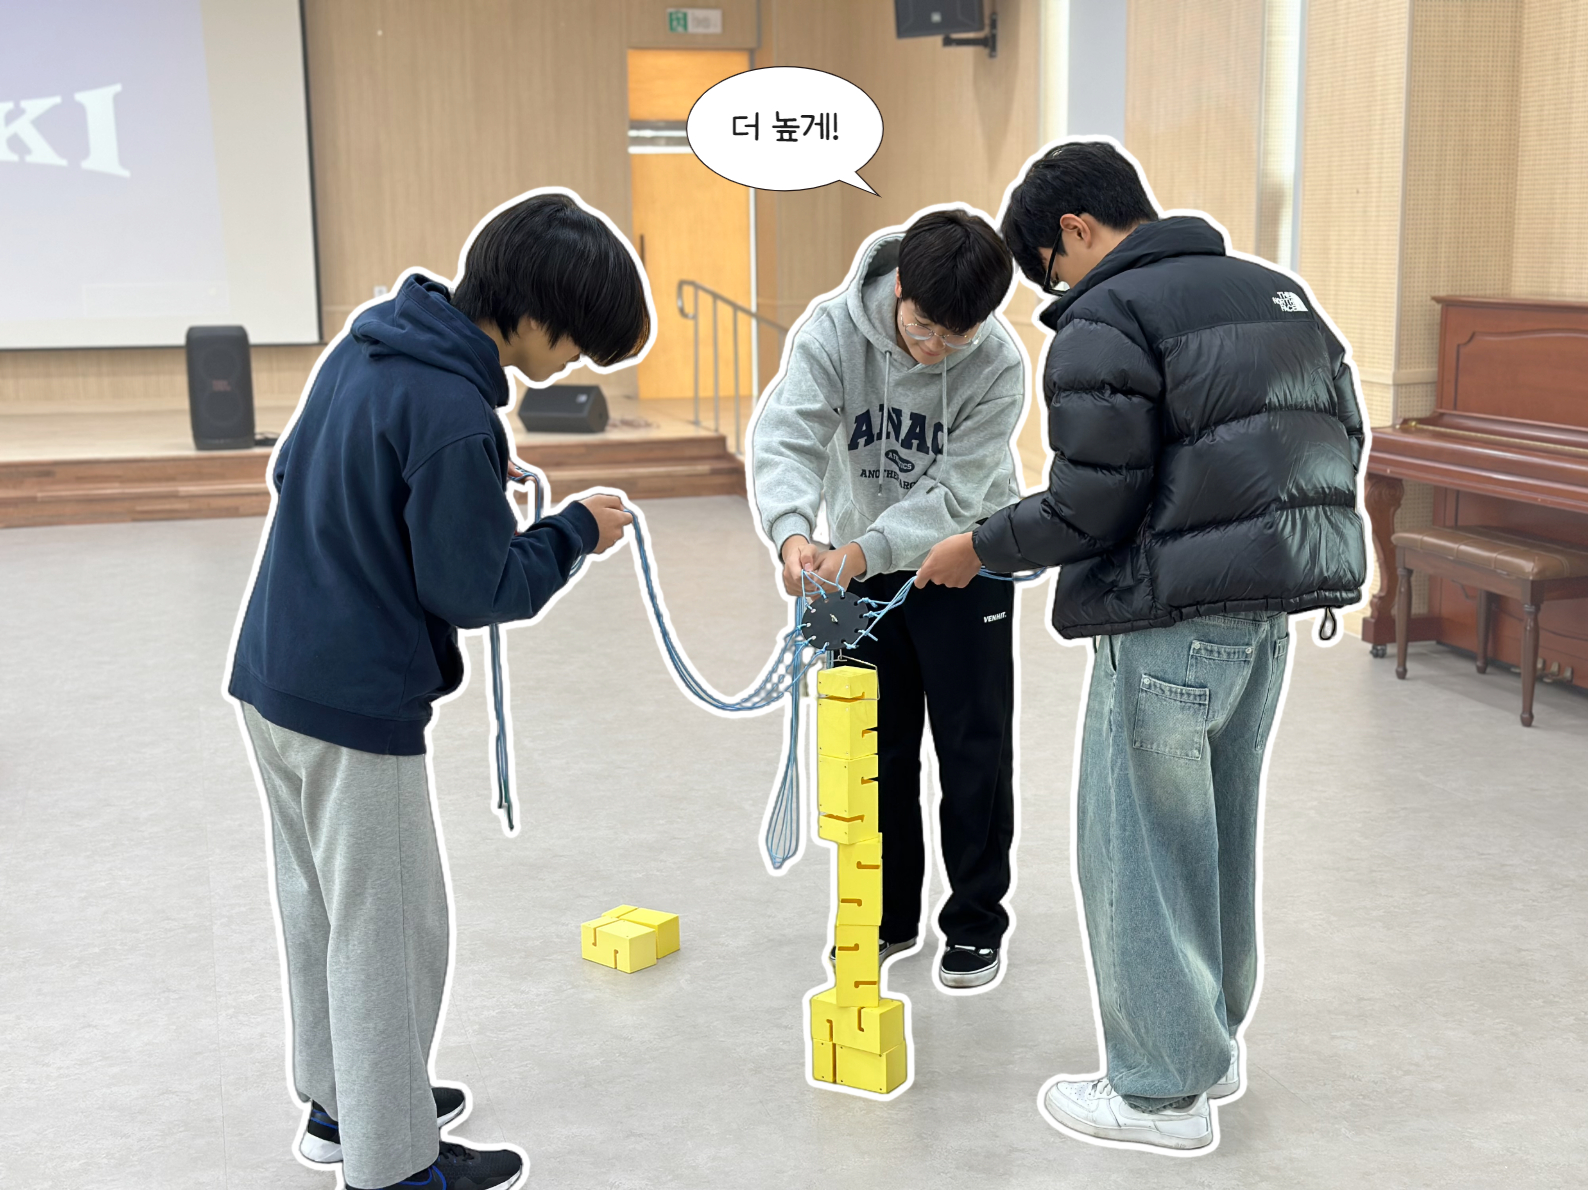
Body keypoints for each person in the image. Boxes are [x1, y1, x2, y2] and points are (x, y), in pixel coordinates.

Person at [918, 141, 1367, 1151]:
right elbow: (1340, 434)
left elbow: (1091, 503)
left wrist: (977, 548)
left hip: (1166, 627)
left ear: (1074, 229)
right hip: (1267, 621)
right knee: (1217, 839)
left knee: (1141, 854)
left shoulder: (1107, 316)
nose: (1055, 293)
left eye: (1048, 271)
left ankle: (1160, 1091)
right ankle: (1210, 1044)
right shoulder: (1275, 293)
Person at [226, 192, 644, 1190]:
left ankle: (345, 1107)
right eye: (574, 341)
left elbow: (301, 472)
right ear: (533, 313)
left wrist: (460, 490)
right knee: (390, 934)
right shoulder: (454, 412)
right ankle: (393, 1165)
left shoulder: (372, 345)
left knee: (320, 910)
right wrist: (573, 531)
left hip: (274, 672)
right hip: (353, 702)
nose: (572, 363)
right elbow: (476, 587)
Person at [750, 208, 1027, 990]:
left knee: (973, 750)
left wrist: (861, 552)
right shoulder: (832, 332)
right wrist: (792, 534)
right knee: (874, 749)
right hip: (855, 568)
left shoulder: (998, 363)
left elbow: (959, 489)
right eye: (923, 326)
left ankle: (974, 924)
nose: (934, 348)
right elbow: (789, 435)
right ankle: (884, 915)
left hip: (965, 563)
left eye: (956, 336)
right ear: (900, 286)